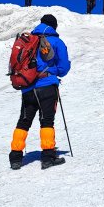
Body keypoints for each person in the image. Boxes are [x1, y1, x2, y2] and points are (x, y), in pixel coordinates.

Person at [9, 14, 71, 170]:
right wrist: (54, 70)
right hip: (47, 86)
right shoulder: (56, 41)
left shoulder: (29, 41)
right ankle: (48, 157)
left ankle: (15, 157)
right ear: (54, 26)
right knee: (47, 121)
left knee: (23, 121)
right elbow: (63, 69)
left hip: (28, 88)